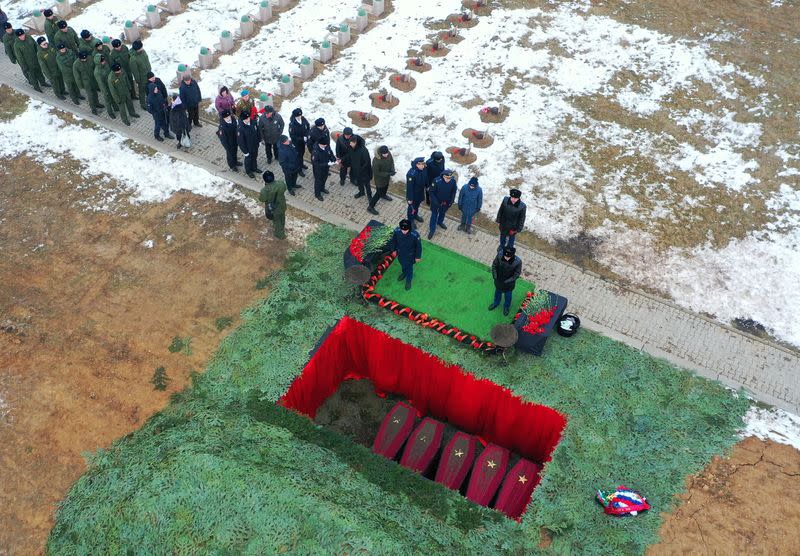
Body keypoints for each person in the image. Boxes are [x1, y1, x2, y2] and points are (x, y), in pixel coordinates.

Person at [389, 219, 422, 291]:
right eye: (402, 230)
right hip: (400, 253)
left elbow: (419, 247)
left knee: (409, 268)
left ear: (409, 228)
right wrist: (393, 250)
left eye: (405, 230)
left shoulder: (415, 235)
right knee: (402, 264)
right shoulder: (397, 231)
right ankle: (404, 273)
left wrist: (418, 257)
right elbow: (393, 240)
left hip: (410, 256)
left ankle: (408, 280)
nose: (404, 232)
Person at [346, 134, 375, 213]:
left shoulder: (363, 150)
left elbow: (367, 162)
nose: (350, 144)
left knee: (367, 185)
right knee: (359, 182)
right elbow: (350, 156)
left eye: (351, 143)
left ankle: (369, 196)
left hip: (364, 172)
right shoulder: (351, 148)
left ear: (355, 142)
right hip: (356, 171)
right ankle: (361, 192)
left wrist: (360, 169)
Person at [489, 247, 522, 316]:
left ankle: (506, 307)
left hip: (509, 284)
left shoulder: (518, 262)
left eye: (508, 256)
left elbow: (516, 274)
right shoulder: (499, 255)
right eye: (505, 256)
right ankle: (496, 303)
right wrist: (495, 276)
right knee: (497, 293)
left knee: (508, 296)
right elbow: (494, 266)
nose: (506, 258)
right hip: (498, 280)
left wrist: (507, 281)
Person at [427, 169, 457, 240]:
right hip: (436, 203)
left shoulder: (453, 181)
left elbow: (453, 191)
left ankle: (440, 222)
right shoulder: (436, 181)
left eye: (449, 178)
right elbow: (431, 192)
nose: (448, 180)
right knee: (434, 216)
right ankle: (432, 229)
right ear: (443, 176)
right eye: (447, 178)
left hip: (445, 203)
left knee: (442, 213)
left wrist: (451, 201)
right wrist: (435, 202)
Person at [259, 170, 287, 240]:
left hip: (274, 209)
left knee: (277, 221)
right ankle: (282, 224)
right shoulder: (281, 183)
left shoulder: (264, 190)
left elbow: (262, 199)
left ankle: (280, 234)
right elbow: (284, 188)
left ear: (265, 180)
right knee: (282, 216)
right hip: (282, 205)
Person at [128, 40, 151, 111]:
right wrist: (138, 80)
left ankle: (149, 101)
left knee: (148, 89)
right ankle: (143, 104)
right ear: (137, 49)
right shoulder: (133, 59)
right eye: (141, 47)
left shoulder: (143, 52)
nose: (142, 48)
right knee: (142, 92)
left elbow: (147, 61)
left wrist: (150, 70)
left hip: (148, 74)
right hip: (142, 78)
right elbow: (135, 71)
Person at [311, 134, 335, 201]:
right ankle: (317, 194)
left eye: (326, 144)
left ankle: (322, 188)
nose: (326, 146)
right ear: (320, 144)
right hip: (318, 170)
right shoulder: (315, 152)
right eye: (324, 145)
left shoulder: (326, 146)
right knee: (318, 181)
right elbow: (315, 164)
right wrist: (327, 163)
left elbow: (330, 153)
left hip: (325, 168)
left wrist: (334, 159)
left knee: (324, 178)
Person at [371, 145, 395, 210]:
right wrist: (388, 174)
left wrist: (392, 169)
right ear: (381, 153)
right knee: (378, 194)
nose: (386, 155)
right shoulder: (376, 161)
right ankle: (371, 206)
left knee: (386, 187)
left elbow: (392, 162)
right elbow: (377, 173)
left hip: (386, 177)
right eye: (384, 154)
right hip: (379, 180)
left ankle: (383, 195)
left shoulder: (388, 153)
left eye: (387, 153)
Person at [237, 110, 260, 177]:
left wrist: (259, 140)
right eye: (246, 119)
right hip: (248, 148)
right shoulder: (240, 128)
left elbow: (258, 131)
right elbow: (240, 142)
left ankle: (254, 168)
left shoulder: (253, 122)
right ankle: (248, 171)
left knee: (255, 157)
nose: (248, 119)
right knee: (248, 159)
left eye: (248, 117)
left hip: (255, 145)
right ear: (243, 119)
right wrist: (245, 151)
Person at [405, 157, 427, 228]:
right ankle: (410, 220)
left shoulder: (423, 170)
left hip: (420, 193)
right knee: (411, 208)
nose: (423, 166)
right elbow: (409, 188)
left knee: (417, 206)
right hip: (413, 195)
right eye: (421, 164)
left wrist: (427, 186)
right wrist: (410, 199)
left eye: (423, 164)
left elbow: (425, 179)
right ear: (417, 165)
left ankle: (415, 215)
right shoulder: (411, 174)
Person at [93, 53, 117, 118]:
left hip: (110, 84)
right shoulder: (97, 72)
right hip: (105, 88)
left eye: (104, 60)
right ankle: (110, 113)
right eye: (102, 61)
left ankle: (115, 107)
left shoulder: (106, 65)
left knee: (113, 97)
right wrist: (105, 91)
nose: (104, 62)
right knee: (107, 100)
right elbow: (101, 83)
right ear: (99, 62)